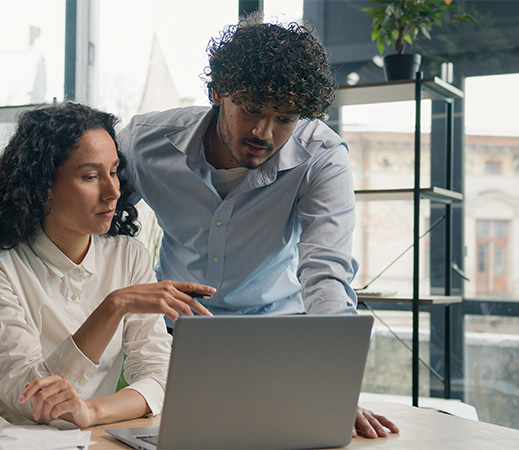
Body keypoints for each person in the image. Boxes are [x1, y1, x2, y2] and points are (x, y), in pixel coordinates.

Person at [118, 15, 399, 438]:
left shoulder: (321, 155)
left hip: (277, 341)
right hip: (170, 339)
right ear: (217, 93)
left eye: (285, 118)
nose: (264, 132)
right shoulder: (145, 142)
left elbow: (326, 272)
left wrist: (335, 387)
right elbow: (91, 217)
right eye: (251, 109)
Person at [0, 102, 214, 428]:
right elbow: (32, 399)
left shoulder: (128, 256)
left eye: (114, 171)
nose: (113, 191)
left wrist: (92, 412)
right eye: (90, 176)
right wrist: (113, 307)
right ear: (43, 187)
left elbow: (159, 374)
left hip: (85, 438)